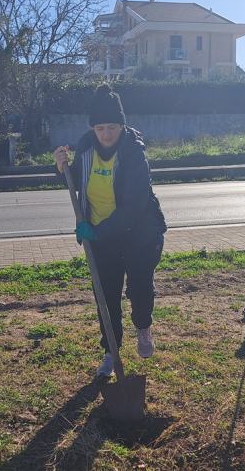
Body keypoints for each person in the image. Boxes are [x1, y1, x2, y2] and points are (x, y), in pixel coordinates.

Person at [54, 84, 167, 378]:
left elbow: (133, 207)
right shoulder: (86, 147)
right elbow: (77, 180)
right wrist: (61, 167)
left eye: (112, 127)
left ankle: (143, 327)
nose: (106, 134)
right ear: (93, 127)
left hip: (140, 234)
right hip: (102, 237)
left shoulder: (133, 154)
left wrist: (98, 232)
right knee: (106, 296)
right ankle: (111, 351)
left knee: (139, 287)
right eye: (100, 127)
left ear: (122, 125)